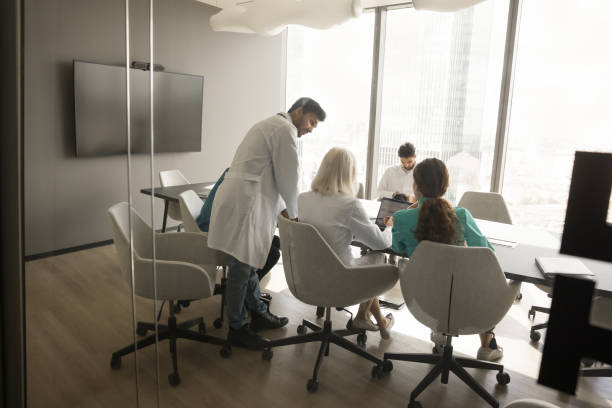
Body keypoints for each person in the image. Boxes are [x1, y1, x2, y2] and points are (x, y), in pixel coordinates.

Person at [208, 97, 326, 349]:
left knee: (247, 263)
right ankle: (237, 328)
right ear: (298, 111)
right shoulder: (285, 130)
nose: (310, 129)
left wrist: (287, 211)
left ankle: (258, 313)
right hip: (246, 204)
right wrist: (294, 216)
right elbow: (289, 177)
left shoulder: (268, 125)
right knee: (242, 266)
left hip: (242, 199)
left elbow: (272, 177)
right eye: (311, 122)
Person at [391, 158, 503, 361]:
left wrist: (409, 210)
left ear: (416, 186)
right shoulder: (461, 215)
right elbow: (487, 252)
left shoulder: (401, 219)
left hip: (422, 299)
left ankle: (440, 331)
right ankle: (488, 345)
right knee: (478, 280)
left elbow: (397, 249)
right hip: (462, 300)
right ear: (445, 186)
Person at [298, 147, 395, 340]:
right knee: (379, 258)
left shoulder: (303, 199)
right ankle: (365, 317)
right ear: (350, 174)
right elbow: (380, 243)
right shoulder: (349, 204)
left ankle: (370, 318)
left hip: (304, 278)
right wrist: (391, 226)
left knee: (367, 262)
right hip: (338, 281)